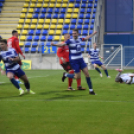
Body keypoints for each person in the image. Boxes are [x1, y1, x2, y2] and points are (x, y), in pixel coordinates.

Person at [51, 29, 97, 95]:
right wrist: (54, 44)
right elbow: (62, 44)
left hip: (81, 60)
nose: (74, 35)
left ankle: (91, 90)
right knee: (77, 77)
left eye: (75, 33)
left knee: (87, 74)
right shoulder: (70, 41)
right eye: (73, 33)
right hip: (74, 61)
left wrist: (93, 34)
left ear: (78, 34)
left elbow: (87, 38)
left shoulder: (80, 39)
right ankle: (66, 75)